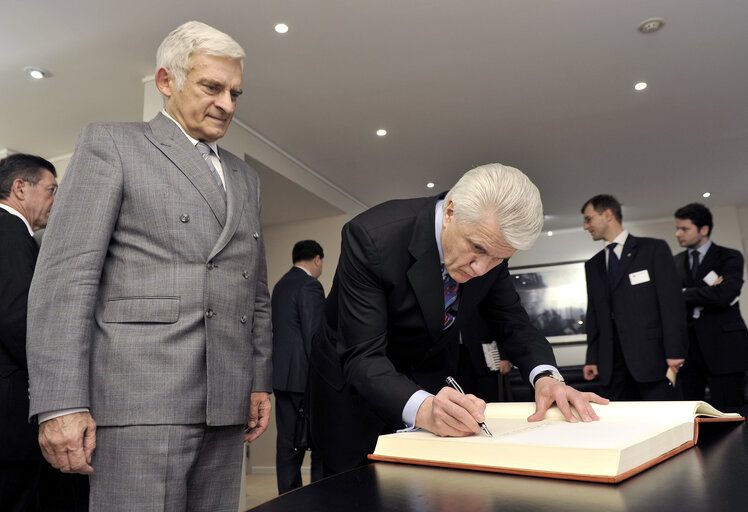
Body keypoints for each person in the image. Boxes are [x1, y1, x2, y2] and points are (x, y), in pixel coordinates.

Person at [26, 21, 272, 512]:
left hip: (225, 400)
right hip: (140, 398)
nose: (227, 103)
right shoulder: (113, 145)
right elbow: (65, 280)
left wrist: (258, 379)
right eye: (211, 87)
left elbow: (255, 290)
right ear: (166, 81)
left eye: (235, 92)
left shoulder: (246, 178)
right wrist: (61, 403)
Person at [309, 163, 608, 475]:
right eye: (476, 248)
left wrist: (546, 377)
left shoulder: (490, 251)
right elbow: (363, 354)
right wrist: (424, 407)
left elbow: (513, 321)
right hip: (352, 389)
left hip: (428, 380)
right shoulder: (372, 238)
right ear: (451, 212)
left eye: (498, 259)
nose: (480, 269)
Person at [0, 154, 88, 511]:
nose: (57, 200)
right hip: (11, 416)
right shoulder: (9, 231)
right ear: (20, 188)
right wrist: (61, 384)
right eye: (52, 190)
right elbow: (17, 317)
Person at [581, 194, 687, 400]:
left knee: (665, 421)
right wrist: (592, 357)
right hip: (612, 366)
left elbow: (671, 303)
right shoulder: (593, 265)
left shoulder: (653, 250)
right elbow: (594, 314)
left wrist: (675, 350)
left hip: (653, 359)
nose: (586, 226)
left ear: (608, 215)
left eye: (589, 219)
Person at [674, 203, 748, 407]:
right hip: (688, 352)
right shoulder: (674, 262)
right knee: (690, 414)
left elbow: (725, 295)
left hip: (725, 349)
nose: (677, 233)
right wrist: (708, 294)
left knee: (731, 414)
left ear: (703, 229)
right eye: (677, 228)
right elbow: (670, 301)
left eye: (684, 229)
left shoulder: (729, 256)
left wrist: (683, 294)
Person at [271, 240, 326, 493]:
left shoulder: (281, 286)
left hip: (282, 378)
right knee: (319, 444)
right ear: (317, 259)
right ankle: (316, 499)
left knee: (287, 444)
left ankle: (288, 499)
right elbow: (314, 337)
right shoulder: (310, 286)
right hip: (304, 380)